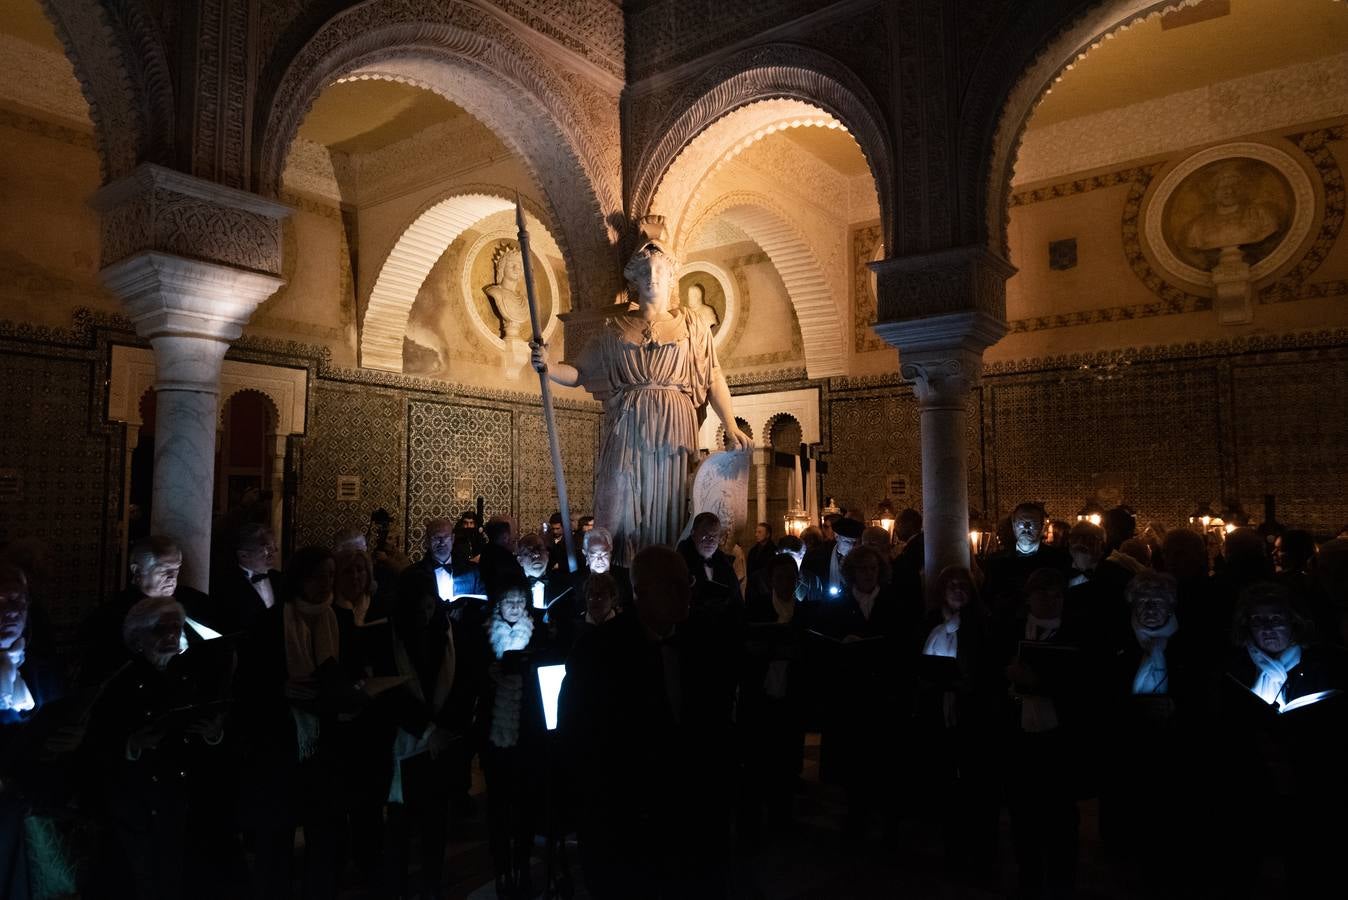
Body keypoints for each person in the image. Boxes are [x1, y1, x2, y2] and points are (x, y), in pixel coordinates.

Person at [532, 217, 751, 567]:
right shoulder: (613, 329)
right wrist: (547, 366)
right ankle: (623, 573)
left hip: (675, 423)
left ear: (670, 277)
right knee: (620, 495)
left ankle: (666, 571)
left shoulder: (693, 326)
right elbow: (578, 373)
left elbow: (712, 377)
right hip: (629, 422)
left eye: (660, 272)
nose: (653, 278)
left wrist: (732, 424)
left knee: (670, 502)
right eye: (646, 272)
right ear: (634, 278)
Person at [561, 545, 736, 898]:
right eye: (671, 585)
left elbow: (717, 722)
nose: (686, 593)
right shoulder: (597, 653)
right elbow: (579, 740)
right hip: (627, 824)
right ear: (639, 591)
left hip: (693, 820)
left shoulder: (704, 639)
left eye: (685, 582)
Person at [86, 596, 230, 900]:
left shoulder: (189, 673)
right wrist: (133, 745)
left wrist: (213, 734)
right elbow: (97, 745)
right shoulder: (119, 683)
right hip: (140, 808)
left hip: (188, 803)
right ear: (137, 637)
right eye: (159, 630)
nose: (169, 637)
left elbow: (210, 736)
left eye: (175, 629)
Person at [915, 566, 1000, 880]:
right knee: (944, 782)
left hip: (973, 715)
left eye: (963, 584)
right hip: (938, 712)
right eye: (951, 585)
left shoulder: (983, 625)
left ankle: (981, 851)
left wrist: (969, 684)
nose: (957, 589)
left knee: (976, 785)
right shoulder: (930, 623)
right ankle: (950, 845)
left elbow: (989, 668)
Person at [384, 563, 457, 900]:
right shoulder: (392, 638)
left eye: (431, 607)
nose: (426, 615)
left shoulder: (446, 633)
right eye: (420, 609)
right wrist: (427, 729)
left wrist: (442, 729)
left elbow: (458, 682)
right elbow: (393, 693)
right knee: (399, 825)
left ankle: (432, 882)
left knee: (435, 822)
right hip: (406, 739)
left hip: (439, 741)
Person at [477, 584, 543, 898]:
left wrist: (530, 671)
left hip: (527, 731)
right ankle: (502, 867)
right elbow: (469, 677)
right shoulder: (484, 636)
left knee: (526, 803)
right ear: (499, 605)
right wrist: (487, 674)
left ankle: (522, 866)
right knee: (498, 805)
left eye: (519, 601)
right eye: (509, 601)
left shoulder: (537, 632)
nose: (515, 607)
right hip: (494, 732)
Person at [984, 502, 1071, 620]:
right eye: (1021, 523)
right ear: (1014, 526)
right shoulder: (995, 561)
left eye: (1032, 523)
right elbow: (989, 598)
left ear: (1042, 527)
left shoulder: (1059, 559)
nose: (1026, 528)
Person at [804, 515, 863, 597]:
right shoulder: (818, 557)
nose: (852, 547)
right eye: (848, 542)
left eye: (856, 543)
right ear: (837, 536)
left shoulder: (864, 559)